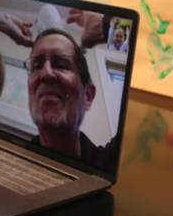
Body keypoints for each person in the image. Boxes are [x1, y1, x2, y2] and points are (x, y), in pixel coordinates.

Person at [25, 28, 119, 170]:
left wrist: (107, 26)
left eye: (61, 64)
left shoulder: (110, 164)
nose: (46, 73)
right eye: (36, 66)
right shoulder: (9, 165)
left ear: (87, 96)